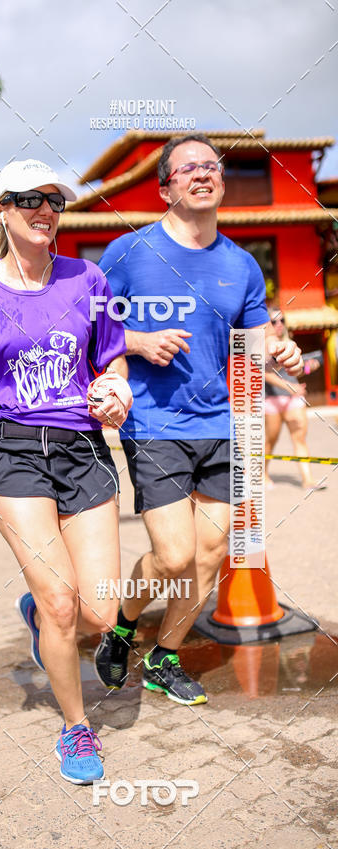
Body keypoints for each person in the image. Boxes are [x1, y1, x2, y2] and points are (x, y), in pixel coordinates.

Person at [0, 159, 132, 784]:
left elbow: (113, 364)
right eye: (26, 200)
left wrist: (117, 392)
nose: (43, 211)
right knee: (62, 606)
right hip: (11, 449)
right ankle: (76, 728)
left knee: (99, 612)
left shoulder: (88, 279)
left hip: (81, 446)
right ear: (0, 213)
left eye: (53, 201)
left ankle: (39, 608)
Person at [95, 133, 303, 704]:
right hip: (156, 423)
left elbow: (255, 346)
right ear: (167, 186)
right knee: (175, 556)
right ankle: (121, 623)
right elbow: (94, 330)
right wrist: (137, 341)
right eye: (187, 168)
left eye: (211, 165)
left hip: (224, 427)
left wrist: (280, 355)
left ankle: (164, 657)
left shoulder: (241, 264)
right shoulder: (128, 253)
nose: (202, 173)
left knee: (212, 554)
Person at [265, 307, 325, 491]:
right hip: (271, 400)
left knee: (300, 439)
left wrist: (307, 367)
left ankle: (308, 480)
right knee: (270, 441)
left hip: (294, 399)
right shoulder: (261, 345)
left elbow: (294, 371)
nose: (279, 324)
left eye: (281, 320)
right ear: (266, 324)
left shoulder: (290, 342)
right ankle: (262, 474)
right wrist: (291, 387)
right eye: (274, 321)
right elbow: (263, 373)